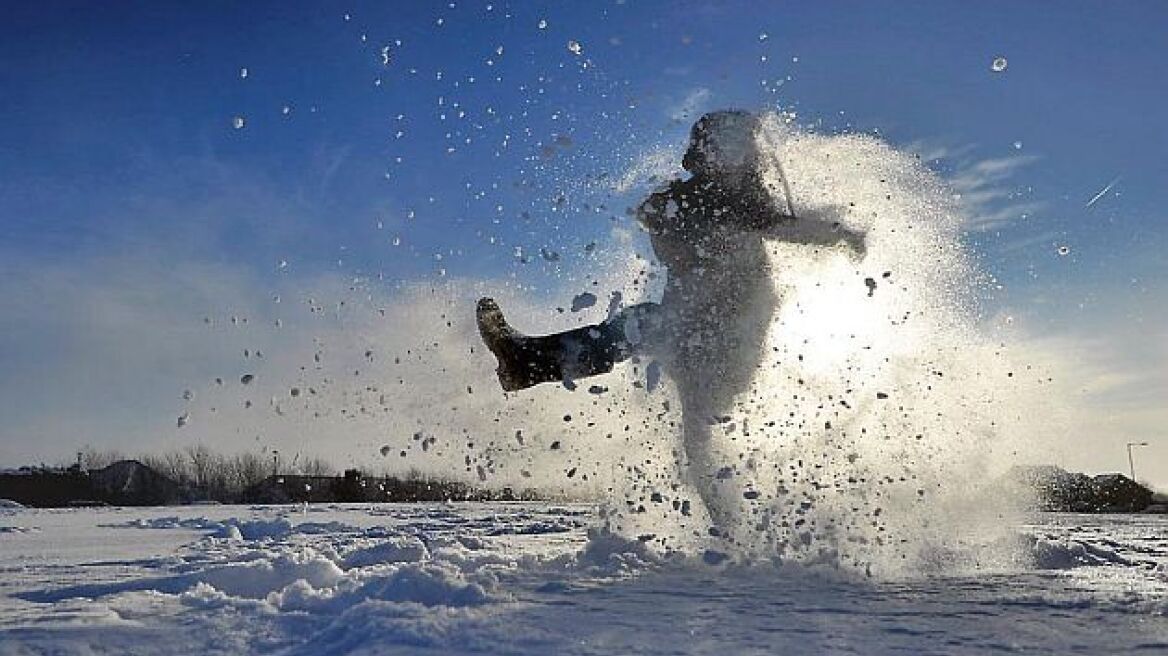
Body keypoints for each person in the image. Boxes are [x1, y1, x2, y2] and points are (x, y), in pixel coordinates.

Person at [476, 110, 865, 523]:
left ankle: (735, 525)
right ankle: (732, 527)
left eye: (740, 146)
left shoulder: (743, 203)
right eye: (726, 146)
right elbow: (671, 239)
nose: (740, 155)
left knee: (656, 349)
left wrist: (843, 236)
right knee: (669, 379)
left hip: (728, 342)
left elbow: (784, 227)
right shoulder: (692, 199)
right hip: (695, 333)